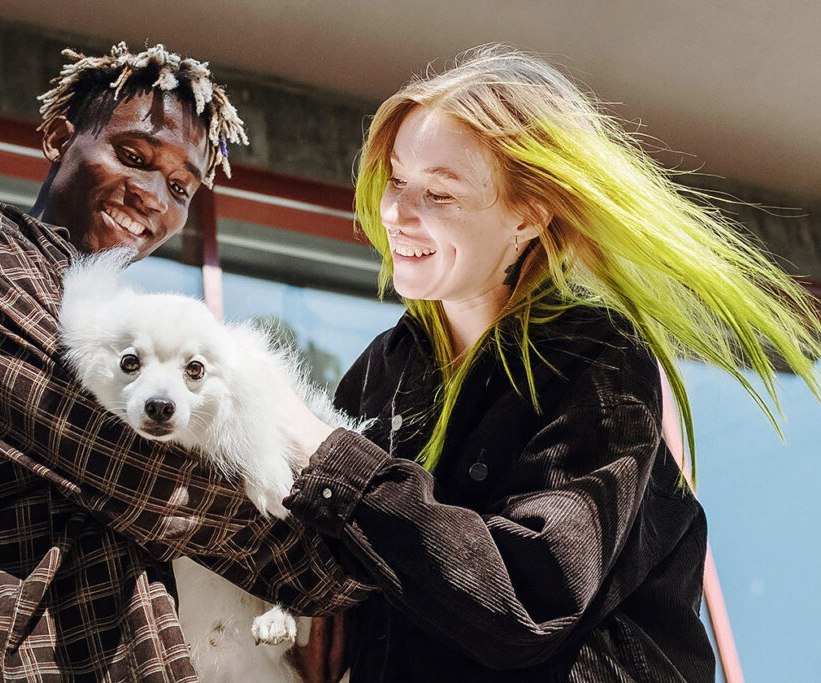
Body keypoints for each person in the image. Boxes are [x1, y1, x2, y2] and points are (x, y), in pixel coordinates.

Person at [280, 45, 821, 682]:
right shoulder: (381, 373)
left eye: (441, 192)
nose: (396, 211)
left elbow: (527, 600)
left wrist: (331, 461)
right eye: (397, 178)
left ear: (529, 216)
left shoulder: (600, 359)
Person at [0, 42, 369, 681]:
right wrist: (343, 568)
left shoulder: (122, 315)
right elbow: (138, 469)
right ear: (59, 139)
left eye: (181, 186)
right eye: (133, 156)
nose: (153, 196)